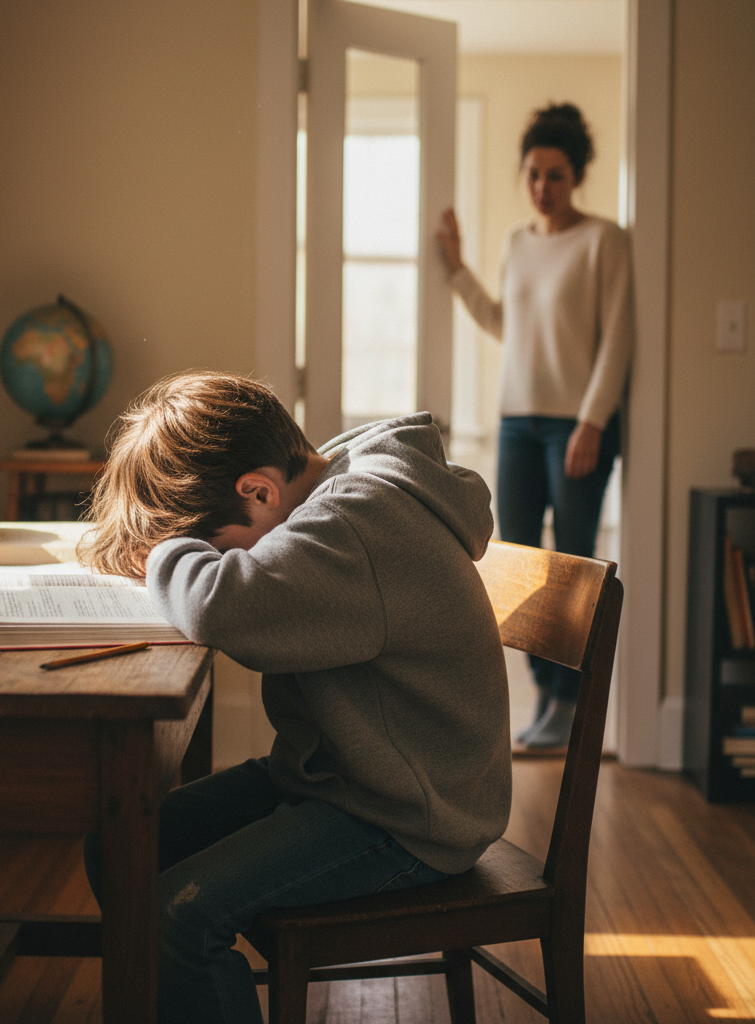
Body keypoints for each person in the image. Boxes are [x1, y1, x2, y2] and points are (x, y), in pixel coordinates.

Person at [79, 370, 511, 1024]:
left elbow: (227, 604)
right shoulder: (340, 490)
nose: (213, 559)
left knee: (180, 917)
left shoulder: (356, 521)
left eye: (211, 545)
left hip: (410, 815)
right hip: (350, 777)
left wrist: (165, 553)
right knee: (118, 844)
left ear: (259, 491)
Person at [437, 102, 634, 748]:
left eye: (554, 175)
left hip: (576, 428)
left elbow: (617, 342)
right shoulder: (517, 243)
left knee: (575, 563)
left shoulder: (606, 240)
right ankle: (548, 693)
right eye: (533, 175)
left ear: (576, 176)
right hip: (518, 423)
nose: (542, 188)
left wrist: (592, 422)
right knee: (518, 556)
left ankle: (571, 700)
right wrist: (457, 270)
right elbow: (505, 325)